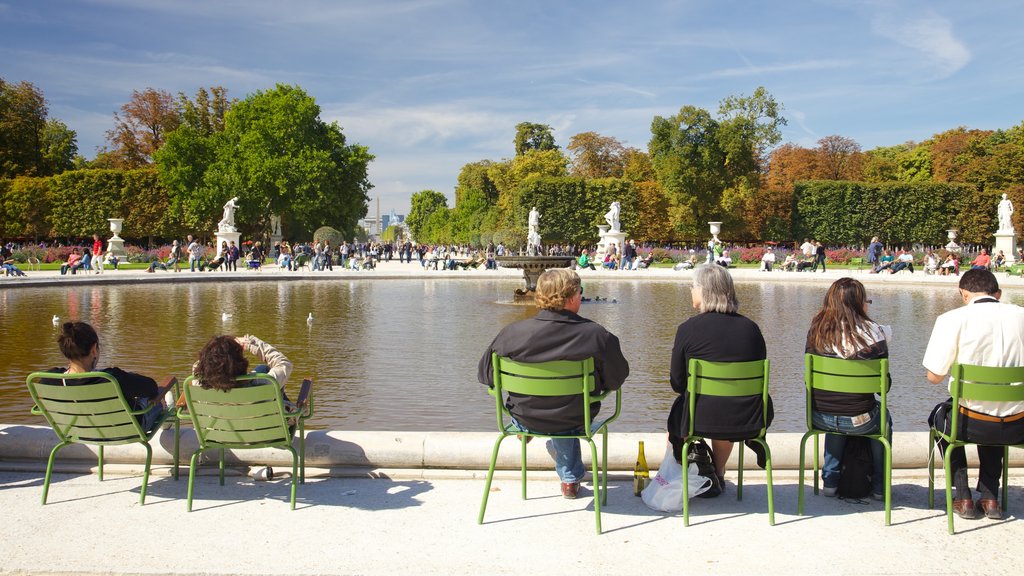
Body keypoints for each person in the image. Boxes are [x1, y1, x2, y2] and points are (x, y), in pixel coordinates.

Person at [477, 269, 629, 499]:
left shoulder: (511, 333)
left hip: (525, 416)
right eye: (581, 292)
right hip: (576, 418)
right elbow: (617, 379)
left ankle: (533, 437)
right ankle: (570, 478)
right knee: (567, 408)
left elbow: (485, 376)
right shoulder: (596, 335)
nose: (581, 296)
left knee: (550, 405)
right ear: (571, 298)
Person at [924, 269, 1024, 520]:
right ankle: (990, 497)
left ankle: (963, 495)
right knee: (998, 408)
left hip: (971, 423)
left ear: (964, 294)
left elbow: (934, 376)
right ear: (997, 294)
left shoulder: (951, 319)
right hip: (1017, 424)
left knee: (941, 417)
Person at [666, 264, 773, 493]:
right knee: (727, 401)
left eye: (692, 286)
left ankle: (680, 473)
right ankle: (719, 472)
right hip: (747, 415)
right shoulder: (751, 328)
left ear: (704, 291)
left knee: (681, 408)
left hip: (700, 416)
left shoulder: (688, 328)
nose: (690, 291)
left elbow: (677, 382)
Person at [805, 278, 892, 500]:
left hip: (819, 417)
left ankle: (831, 481)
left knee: (837, 408)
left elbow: (809, 381)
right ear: (859, 303)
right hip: (859, 419)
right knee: (883, 417)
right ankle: (881, 487)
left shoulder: (816, 332)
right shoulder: (875, 334)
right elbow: (884, 387)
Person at [45, 321, 165, 431]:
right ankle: (166, 413)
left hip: (79, 431)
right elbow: (151, 387)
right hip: (127, 430)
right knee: (157, 397)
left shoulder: (50, 379)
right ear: (93, 350)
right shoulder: (111, 378)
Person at [193, 334, 293, 394]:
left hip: (217, 429)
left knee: (262, 369)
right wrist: (250, 343)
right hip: (261, 428)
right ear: (240, 363)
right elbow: (283, 363)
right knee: (264, 370)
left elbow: (198, 366)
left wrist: (217, 349)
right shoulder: (264, 384)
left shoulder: (198, 382)